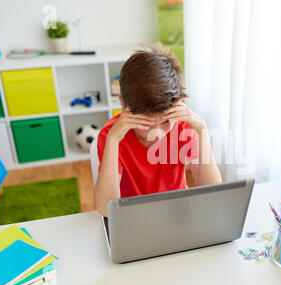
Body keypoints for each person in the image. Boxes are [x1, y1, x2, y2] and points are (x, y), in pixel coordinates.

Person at [94, 44, 222, 217]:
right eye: (144, 122)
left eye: (165, 122)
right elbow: (106, 209)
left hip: (177, 214)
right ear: (123, 104)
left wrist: (201, 129)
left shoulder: (183, 127)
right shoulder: (112, 135)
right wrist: (113, 140)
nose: (156, 133)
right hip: (133, 216)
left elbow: (212, 194)